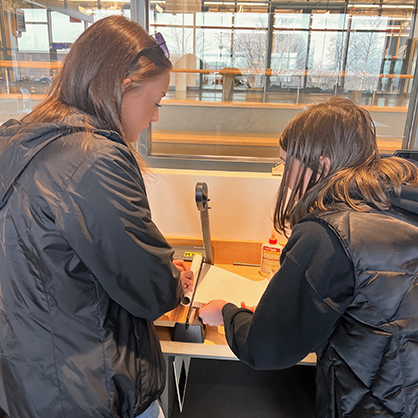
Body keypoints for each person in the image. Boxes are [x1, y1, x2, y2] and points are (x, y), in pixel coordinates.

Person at [0, 16, 193, 418]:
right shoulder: (96, 160)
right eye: (156, 102)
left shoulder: (17, 142)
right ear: (124, 88)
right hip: (91, 391)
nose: (155, 117)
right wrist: (172, 277)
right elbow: (151, 291)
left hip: (27, 384)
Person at [199, 97, 418, 417]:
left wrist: (226, 313)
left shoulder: (329, 234)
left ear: (324, 166)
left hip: (375, 404)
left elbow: (267, 347)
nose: (285, 179)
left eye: (287, 165)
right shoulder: (398, 205)